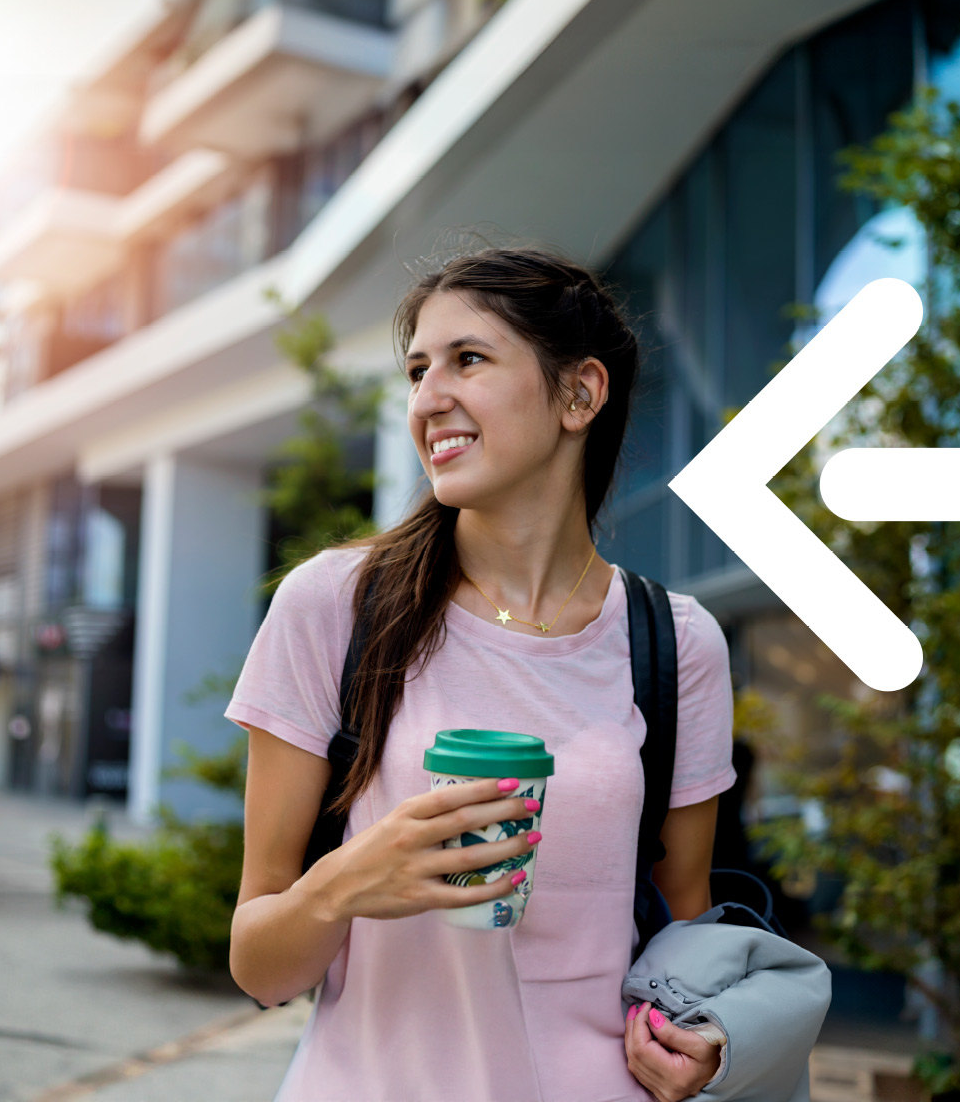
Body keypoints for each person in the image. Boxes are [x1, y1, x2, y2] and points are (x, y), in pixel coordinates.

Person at [225, 247, 738, 1102]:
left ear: (580, 394)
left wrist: (708, 1044)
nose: (429, 399)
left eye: (469, 360)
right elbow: (258, 969)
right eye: (419, 370)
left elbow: (683, 934)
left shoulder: (677, 643)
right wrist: (349, 883)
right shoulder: (334, 605)